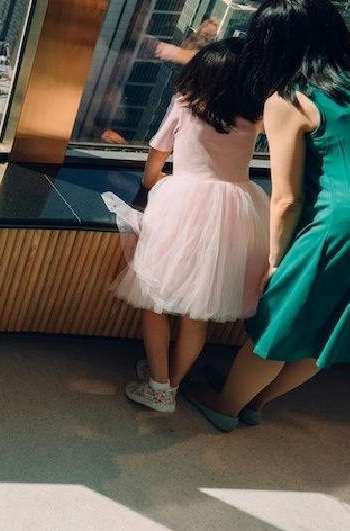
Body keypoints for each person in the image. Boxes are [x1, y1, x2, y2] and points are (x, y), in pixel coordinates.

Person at [185, 0, 350, 431]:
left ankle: (226, 405)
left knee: (281, 324)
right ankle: (257, 402)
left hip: (344, 225)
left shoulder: (290, 98)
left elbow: (287, 198)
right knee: (329, 325)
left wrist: (276, 260)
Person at [105, 41, 267, 413]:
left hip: (184, 204)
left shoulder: (187, 104)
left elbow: (156, 159)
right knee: (197, 313)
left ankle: (158, 385)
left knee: (155, 300)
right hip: (235, 209)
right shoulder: (254, 115)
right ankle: (173, 385)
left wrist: (155, 181)